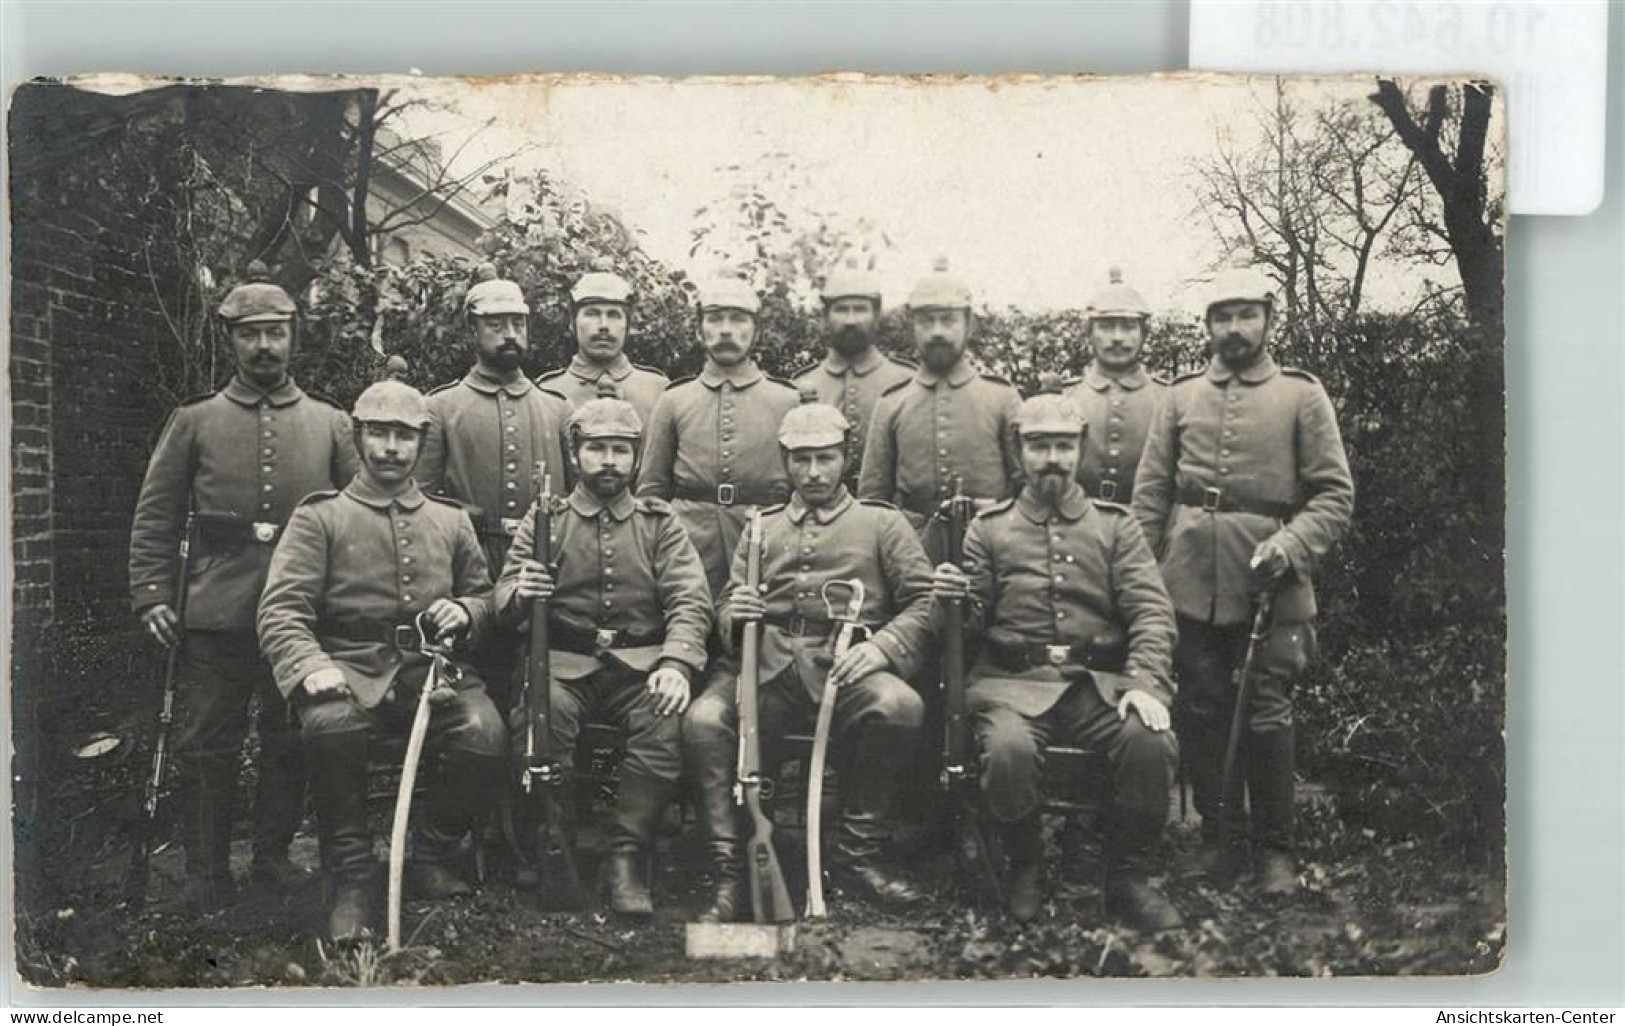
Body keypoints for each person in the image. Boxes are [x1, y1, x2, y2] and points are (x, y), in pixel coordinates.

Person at [128, 263, 357, 909]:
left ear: (293, 337)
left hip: (299, 615)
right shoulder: (194, 421)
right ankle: (206, 870)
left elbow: (354, 519)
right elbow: (156, 513)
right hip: (215, 608)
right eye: (250, 334)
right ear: (230, 340)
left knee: (290, 739)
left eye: (276, 333)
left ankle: (274, 860)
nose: (264, 346)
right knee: (208, 744)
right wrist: (151, 592)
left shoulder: (330, 424)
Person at [1132, 263, 1354, 895]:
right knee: (1201, 710)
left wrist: (1290, 544)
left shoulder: (1301, 396)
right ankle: (1219, 840)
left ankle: (1275, 851)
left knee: (1265, 714)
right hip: (1188, 581)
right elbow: (1151, 496)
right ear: (1206, 325)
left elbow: (1334, 495)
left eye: (1245, 315)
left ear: (1268, 319)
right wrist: (1146, 581)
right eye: (1221, 317)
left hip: (1270, 585)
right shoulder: (1179, 397)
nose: (1233, 329)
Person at [258, 381, 507, 941]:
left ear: (421, 442)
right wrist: (308, 665)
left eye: (404, 436)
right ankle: (351, 879)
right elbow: (281, 609)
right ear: (359, 436)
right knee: (330, 727)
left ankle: (428, 856)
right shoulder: (321, 517)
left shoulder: (450, 520)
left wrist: (465, 611)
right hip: (347, 665)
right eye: (380, 434)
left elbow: (486, 596)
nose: (392, 448)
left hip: (432, 672)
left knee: (485, 734)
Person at [931, 392, 1183, 930]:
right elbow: (970, 624)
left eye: (1064, 446)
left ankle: (1127, 874)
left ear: (1081, 450)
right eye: (1039, 445)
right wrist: (951, 601)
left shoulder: (1117, 526)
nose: (1052, 458)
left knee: (1150, 741)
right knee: (1006, 751)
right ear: (1018, 450)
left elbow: (1152, 612)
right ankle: (1026, 861)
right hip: (1010, 683)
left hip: (1098, 684)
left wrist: (1143, 683)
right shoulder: (989, 528)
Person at [684, 401, 935, 922]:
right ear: (785, 461)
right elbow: (728, 602)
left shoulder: (881, 524)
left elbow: (925, 601)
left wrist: (881, 648)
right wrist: (736, 612)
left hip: (845, 666)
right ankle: (731, 870)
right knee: (705, 721)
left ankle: (857, 858)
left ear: (846, 459)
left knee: (899, 705)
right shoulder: (760, 525)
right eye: (801, 460)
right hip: (763, 666)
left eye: (826, 458)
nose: (814, 472)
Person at [494, 397, 712, 917]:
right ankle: (557, 845)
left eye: (621, 450)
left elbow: (690, 598)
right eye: (596, 449)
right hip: (563, 665)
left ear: (637, 458)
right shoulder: (546, 518)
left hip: (641, 666)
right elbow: (502, 597)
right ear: (575, 454)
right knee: (541, 721)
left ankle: (627, 857)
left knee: (663, 723)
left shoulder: (660, 523)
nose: (609, 461)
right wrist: (522, 591)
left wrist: (676, 663)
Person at [416, 264, 572, 707]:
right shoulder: (440, 408)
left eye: (518, 324)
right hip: (473, 568)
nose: (509, 334)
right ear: (472, 329)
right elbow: (424, 501)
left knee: (541, 691)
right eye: (495, 324)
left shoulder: (557, 409)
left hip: (540, 568)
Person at [636, 277, 799, 597]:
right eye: (714, 318)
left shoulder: (786, 401)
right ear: (699, 330)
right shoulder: (674, 400)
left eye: (738, 319)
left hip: (766, 540)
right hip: (688, 541)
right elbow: (651, 491)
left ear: (756, 331)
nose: (726, 330)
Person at [858, 258, 1022, 560]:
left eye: (948, 320)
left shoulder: (1001, 398)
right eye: (926, 321)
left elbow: (1027, 489)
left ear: (969, 324)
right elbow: (872, 502)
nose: (937, 332)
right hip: (914, 551)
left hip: (994, 549)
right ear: (911, 328)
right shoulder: (892, 403)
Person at [791, 258, 914, 487]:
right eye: (840, 310)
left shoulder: (907, 381)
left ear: (877, 316)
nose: (850, 320)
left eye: (859, 310)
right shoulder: (801, 385)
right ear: (825, 316)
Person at [1063, 266, 1167, 504]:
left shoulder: (1167, 398)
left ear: (1144, 334)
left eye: (1129, 327)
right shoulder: (1067, 397)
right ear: (1090, 333)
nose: (1118, 337)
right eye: (1107, 326)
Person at [536, 269, 669, 422]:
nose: (603, 325)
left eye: (613, 315)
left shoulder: (658, 391)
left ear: (628, 325)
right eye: (592, 314)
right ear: (572, 322)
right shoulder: (547, 393)